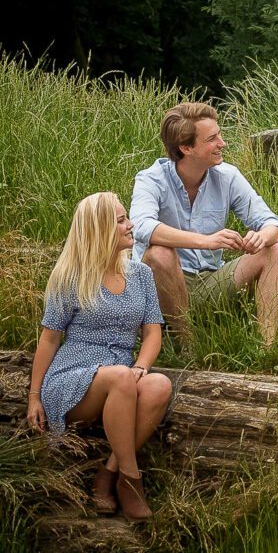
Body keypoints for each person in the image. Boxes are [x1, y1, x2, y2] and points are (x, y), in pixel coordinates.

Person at [26, 192, 171, 520]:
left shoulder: (141, 276)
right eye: (120, 220)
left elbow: (152, 333)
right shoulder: (71, 278)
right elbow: (49, 339)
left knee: (159, 385)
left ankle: (108, 474)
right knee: (120, 377)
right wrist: (34, 397)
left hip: (121, 374)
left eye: (126, 217)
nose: (130, 224)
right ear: (100, 228)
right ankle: (132, 484)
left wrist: (141, 366)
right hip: (72, 377)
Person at [130, 102, 278, 347]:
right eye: (212, 139)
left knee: (277, 250)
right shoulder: (152, 178)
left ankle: (267, 346)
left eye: (220, 135)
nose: (222, 143)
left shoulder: (228, 176)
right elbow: (141, 227)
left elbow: (272, 223)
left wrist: (263, 237)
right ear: (186, 148)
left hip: (212, 280)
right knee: (159, 253)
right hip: (162, 288)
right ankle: (188, 345)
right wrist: (207, 241)